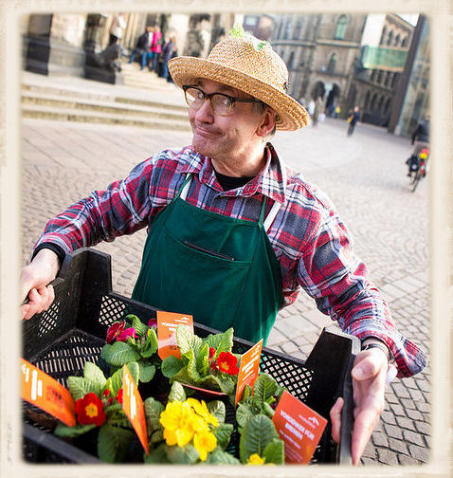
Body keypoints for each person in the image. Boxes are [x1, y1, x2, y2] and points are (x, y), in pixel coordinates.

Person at [20, 31, 426, 465]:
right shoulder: (169, 172)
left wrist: (376, 350)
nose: (201, 113)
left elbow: (356, 296)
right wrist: (48, 257)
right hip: (128, 375)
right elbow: (96, 212)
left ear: (266, 122)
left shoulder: (301, 213)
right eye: (199, 94)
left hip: (216, 409)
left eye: (226, 101)